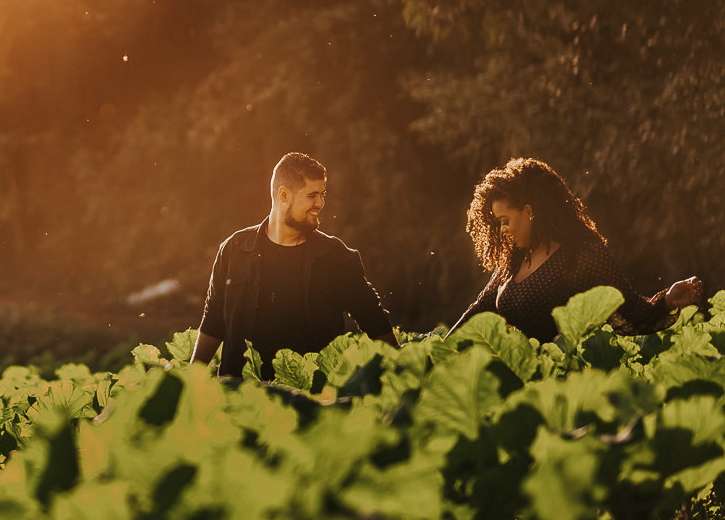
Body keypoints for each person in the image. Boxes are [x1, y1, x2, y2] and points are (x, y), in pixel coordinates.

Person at [448, 157, 703, 342]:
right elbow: (480, 308)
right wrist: (437, 349)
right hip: (516, 380)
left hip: (560, 381)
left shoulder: (582, 255)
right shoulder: (514, 260)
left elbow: (632, 311)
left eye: (505, 221)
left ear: (528, 212)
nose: (502, 230)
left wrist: (668, 300)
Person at [192, 152, 396, 379]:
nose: (320, 203)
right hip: (240, 400)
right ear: (284, 195)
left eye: (322, 194)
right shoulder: (234, 250)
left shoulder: (335, 256)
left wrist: (404, 370)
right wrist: (189, 381)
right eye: (312, 195)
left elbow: (373, 319)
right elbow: (212, 323)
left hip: (312, 401)